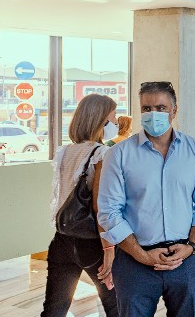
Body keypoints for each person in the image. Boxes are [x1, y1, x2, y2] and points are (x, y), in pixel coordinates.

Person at [98, 81, 195, 317]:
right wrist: (141, 255)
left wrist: (191, 245)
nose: (153, 114)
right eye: (147, 109)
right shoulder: (119, 154)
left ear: (174, 111)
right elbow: (109, 211)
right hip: (134, 262)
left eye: (161, 108)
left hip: (185, 259)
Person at [41, 94, 119, 317]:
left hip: (63, 238)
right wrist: (109, 249)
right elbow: (100, 206)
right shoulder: (102, 153)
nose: (116, 123)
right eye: (114, 117)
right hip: (93, 242)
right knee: (117, 307)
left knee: (54, 309)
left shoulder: (65, 151)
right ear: (101, 120)